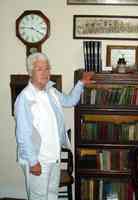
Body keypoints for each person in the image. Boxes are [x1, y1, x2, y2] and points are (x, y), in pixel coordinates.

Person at [14, 52, 94, 200]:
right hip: (38, 159)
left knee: (52, 195)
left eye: (47, 68)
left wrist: (81, 83)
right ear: (30, 72)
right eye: (39, 69)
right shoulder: (25, 98)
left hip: (53, 157)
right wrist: (33, 162)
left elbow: (69, 101)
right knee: (38, 197)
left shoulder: (51, 91)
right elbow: (23, 134)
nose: (45, 73)